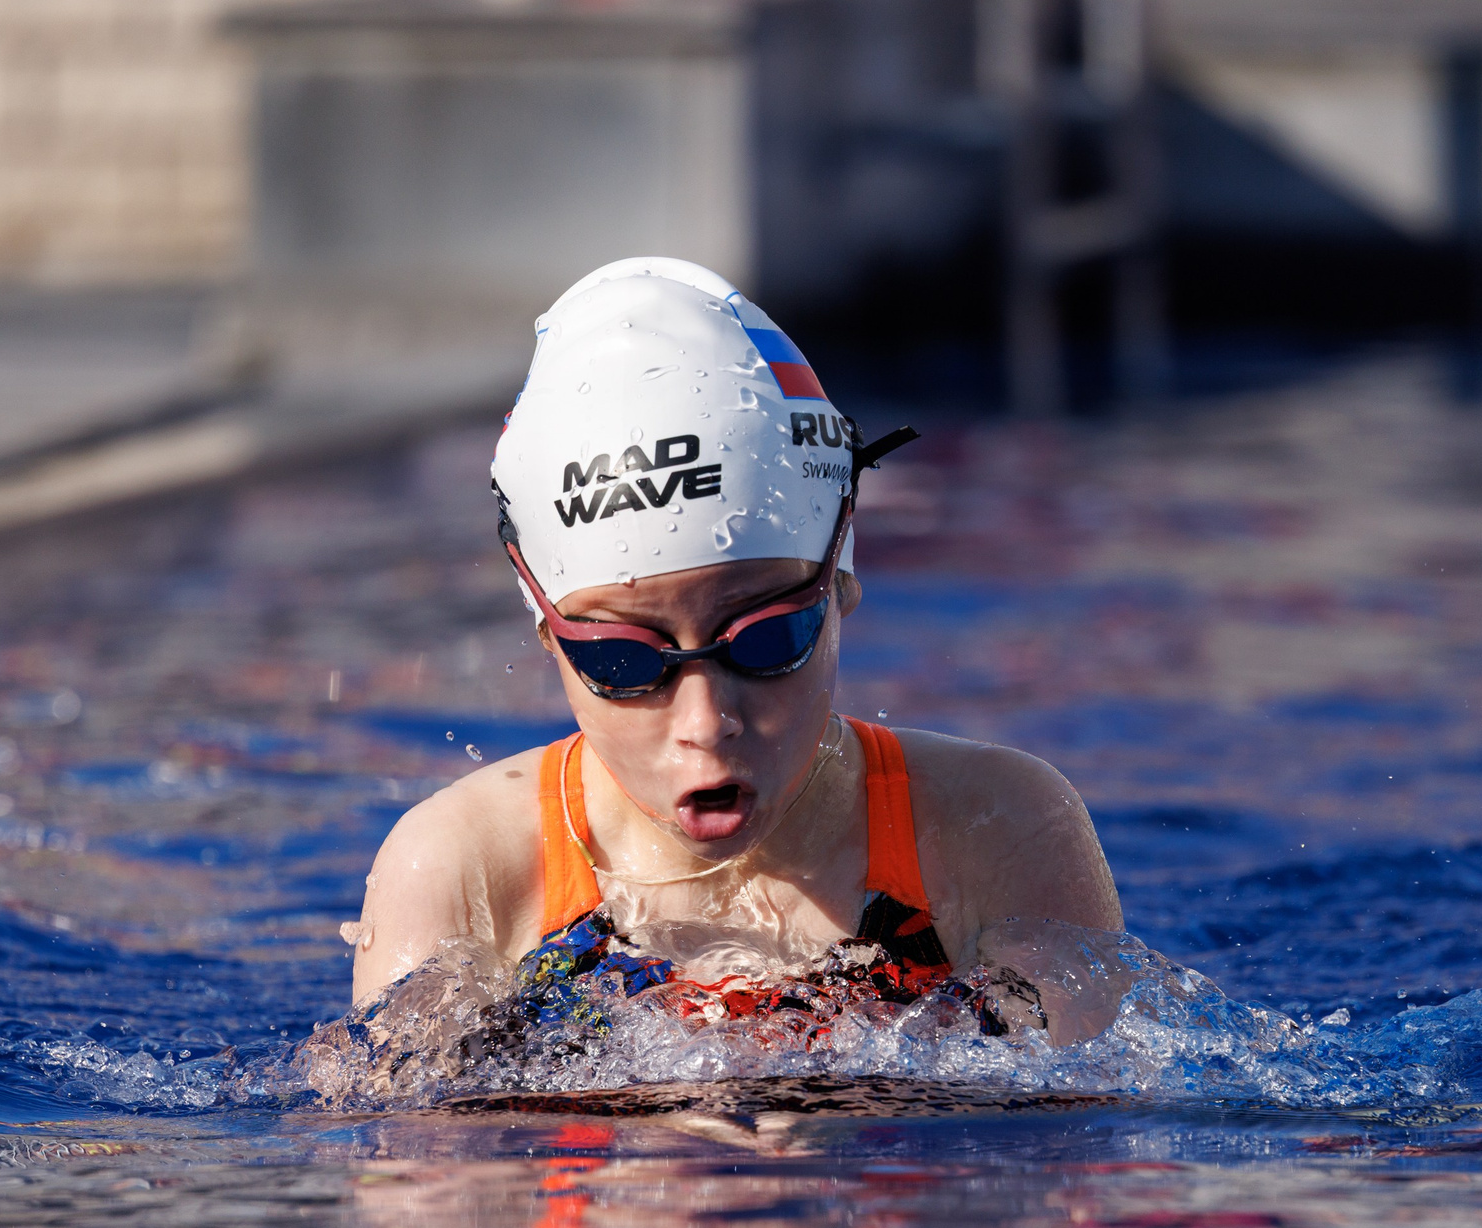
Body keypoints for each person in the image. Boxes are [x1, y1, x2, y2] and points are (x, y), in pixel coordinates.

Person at [343, 257, 1120, 1026]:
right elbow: (408, 1147)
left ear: (841, 579)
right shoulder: (466, 867)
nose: (707, 721)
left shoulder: (997, 830)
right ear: (548, 630)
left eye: (764, 637)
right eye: (625, 660)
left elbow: (1076, 1134)